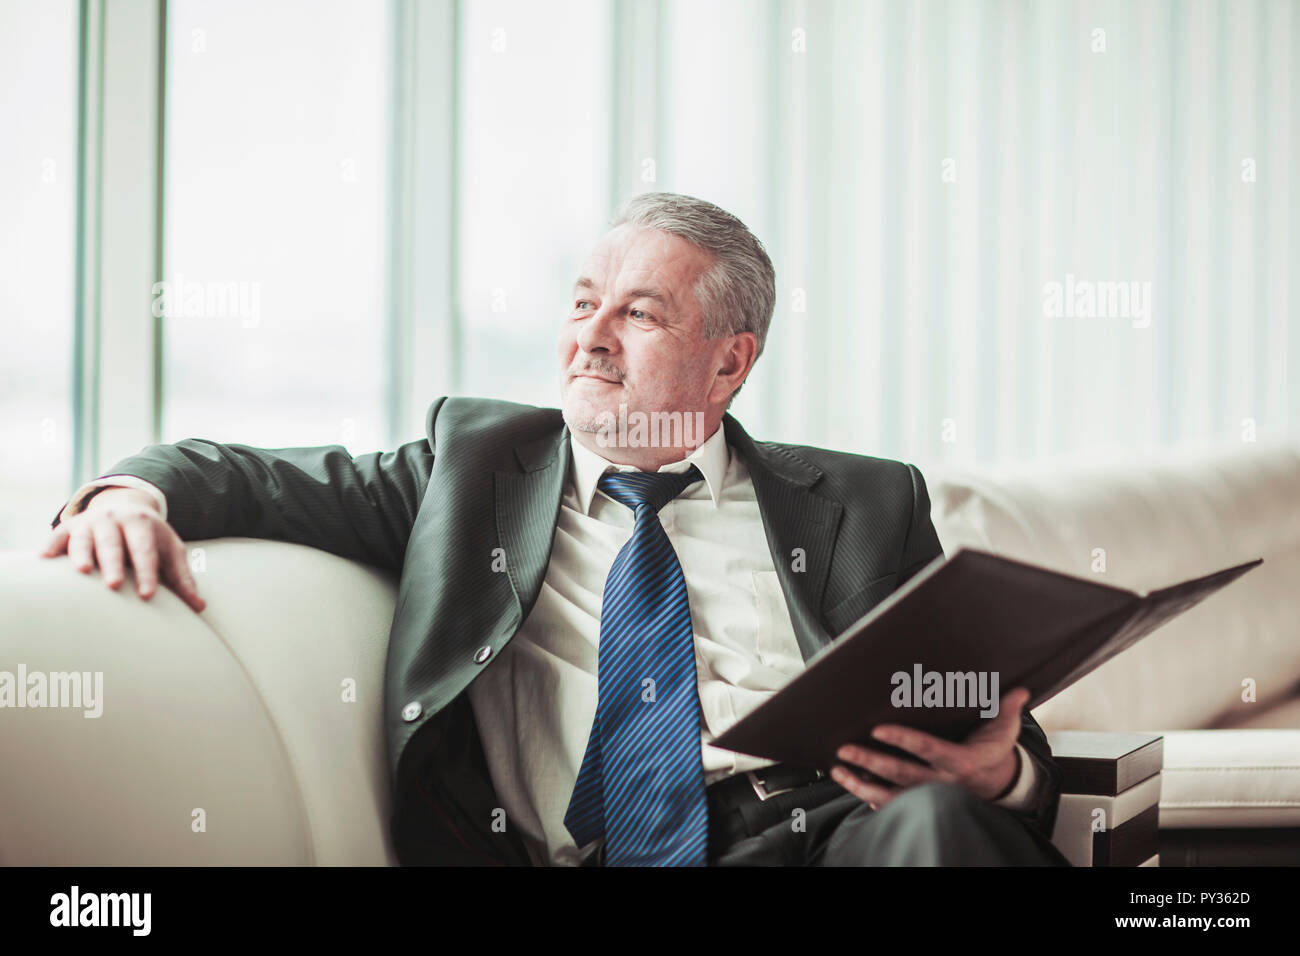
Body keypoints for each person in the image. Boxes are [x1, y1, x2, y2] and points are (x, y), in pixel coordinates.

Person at [44, 191, 1069, 867]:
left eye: (639, 313)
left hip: (822, 832)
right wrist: (128, 494)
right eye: (583, 303)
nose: (590, 335)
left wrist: (1000, 771)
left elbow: (979, 707)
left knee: (936, 825)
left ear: (728, 361)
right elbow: (242, 477)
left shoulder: (868, 500)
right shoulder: (474, 466)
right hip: (590, 849)